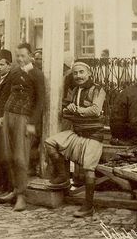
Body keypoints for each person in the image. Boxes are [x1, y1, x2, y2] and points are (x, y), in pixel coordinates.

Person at [45, 61, 107, 218]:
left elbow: (95, 110)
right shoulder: (75, 90)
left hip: (94, 136)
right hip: (78, 133)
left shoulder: (98, 89)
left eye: (81, 72)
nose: (78, 76)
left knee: (89, 169)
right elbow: (65, 111)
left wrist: (77, 110)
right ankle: (63, 177)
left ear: (89, 74)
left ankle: (88, 205)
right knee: (50, 143)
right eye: (75, 73)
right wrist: (69, 108)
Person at [0, 43, 45, 212]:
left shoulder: (37, 74)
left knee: (20, 158)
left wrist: (32, 123)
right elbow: (5, 94)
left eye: (23, 56)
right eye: (17, 56)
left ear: (31, 56)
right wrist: (1, 116)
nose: (20, 59)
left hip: (24, 119)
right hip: (8, 115)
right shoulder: (15, 72)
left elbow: (40, 101)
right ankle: (14, 190)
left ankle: (21, 197)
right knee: (7, 156)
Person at [0, 49, 14, 195]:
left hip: (6, 122)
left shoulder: (11, 80)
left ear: (9, 66)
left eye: (2, 65)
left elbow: (11, 102)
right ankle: (2, 185)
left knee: (7, 156)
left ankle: (9, 187)